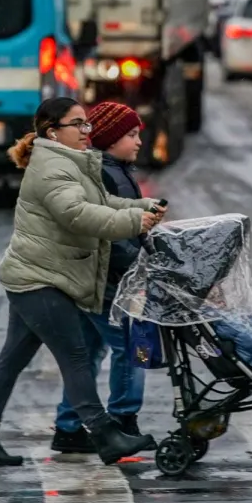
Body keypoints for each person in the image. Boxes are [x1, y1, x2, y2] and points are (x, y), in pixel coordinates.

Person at [0, 97, 167, 467]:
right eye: (78, 124)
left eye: (87, 124)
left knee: (12, 359)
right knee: (75, 355)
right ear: (52, 131)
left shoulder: (72, 161)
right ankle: (104, 435)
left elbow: (103, 200)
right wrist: (134, 224)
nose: (86, 131)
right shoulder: (52, 167)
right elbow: (77, 215)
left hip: (39, 275)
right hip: (40, 278)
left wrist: (142, 206)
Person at [51, 101, 151, 453]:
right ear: (109, 139)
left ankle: (68, 426)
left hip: (93, 279)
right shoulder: (106, 174)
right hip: (108, 281)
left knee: (89, 350)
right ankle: (123, 418)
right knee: (134, 346)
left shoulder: (116, 170)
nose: (139, 141)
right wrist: (142, 262)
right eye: (131, 135)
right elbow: (112, 233)